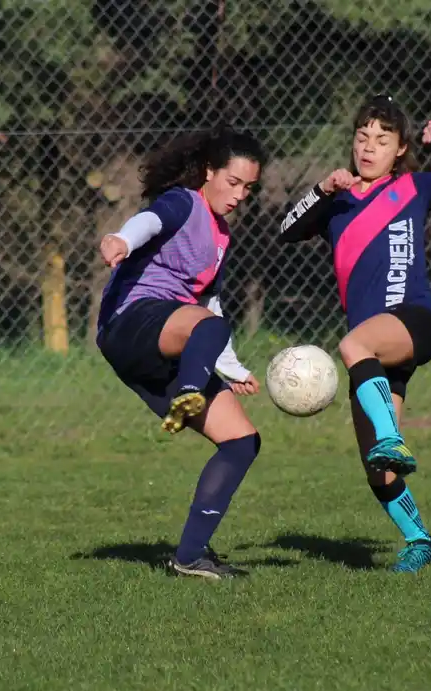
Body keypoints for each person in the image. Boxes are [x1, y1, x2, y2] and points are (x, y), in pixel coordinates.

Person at [277, 94, 431, 573]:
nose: (369, 147)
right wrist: (322, 189)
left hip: (413, 321)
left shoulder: (413, 188)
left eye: (382, 139)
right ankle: (419, 541)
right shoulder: (337, 201)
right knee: (377, 468)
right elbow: (287, 229)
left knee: (352, 346)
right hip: (371, 354)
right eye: (362, 137)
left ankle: (391, 436)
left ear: (400, 149)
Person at [95, 126, 267, 580]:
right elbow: (149, 222)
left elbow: (209, 305)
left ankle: (189, 557)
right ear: (209, 172)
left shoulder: (222, 236)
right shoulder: (184, 202)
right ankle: (189, 391)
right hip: (131, 322)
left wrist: (233, 369)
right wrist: (121, 240)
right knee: (207, 328)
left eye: (248, 187)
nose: (240, 195)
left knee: (241, 442)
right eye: (233, 182)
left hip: (173, 344)